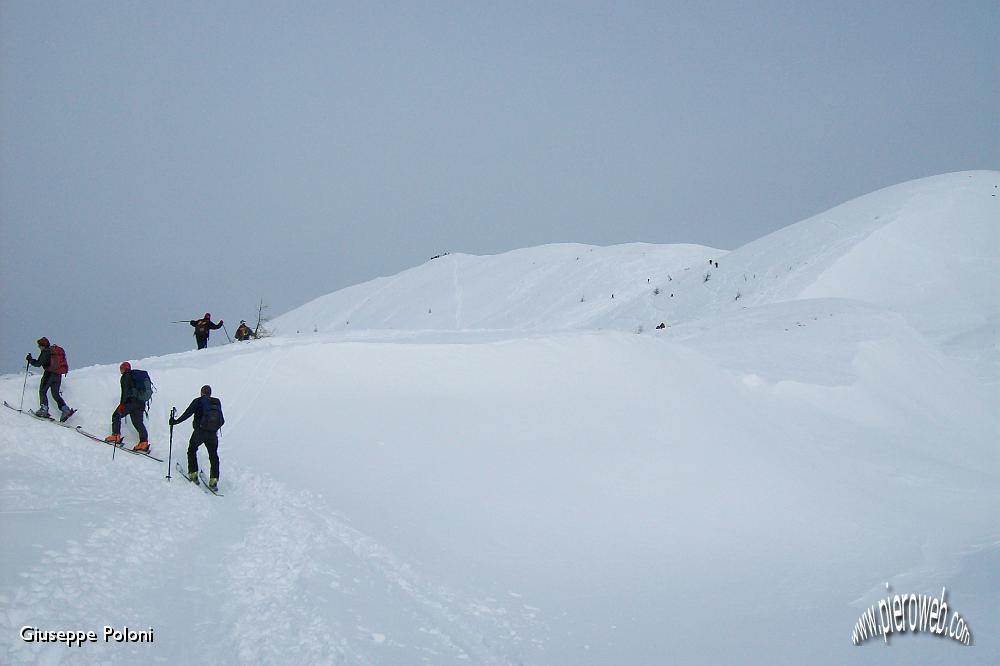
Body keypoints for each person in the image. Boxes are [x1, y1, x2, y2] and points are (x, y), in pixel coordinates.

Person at [170, 385, 224, 490]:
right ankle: (214, 480)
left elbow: (187, 413)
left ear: (201, 392)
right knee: (213, 456)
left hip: (200, 432)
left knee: (192, 449)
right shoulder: (216, 402)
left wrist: (175, 421)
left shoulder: (198, 401)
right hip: (213, 434)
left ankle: (193, 473)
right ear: (210, 393)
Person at [105, 361, 151, 452]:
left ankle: (115, 436)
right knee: (138, 422)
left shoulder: (125, 377)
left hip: (130, 402)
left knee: (116, 415)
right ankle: (143, 442)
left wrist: (122, 404)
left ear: (123, 369)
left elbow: (125, 392)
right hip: (141, 403)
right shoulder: (136, 377)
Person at [26, 337, 74, 421]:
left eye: (39, 346)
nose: (38, 347)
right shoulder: (54, 351)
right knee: (55, 394)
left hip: (49, 374)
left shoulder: (46, 352)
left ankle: (44, 409)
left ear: (42, 346)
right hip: (58, 375)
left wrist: (30, 360)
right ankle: (65, 409)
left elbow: (38, 364)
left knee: (42, 391)